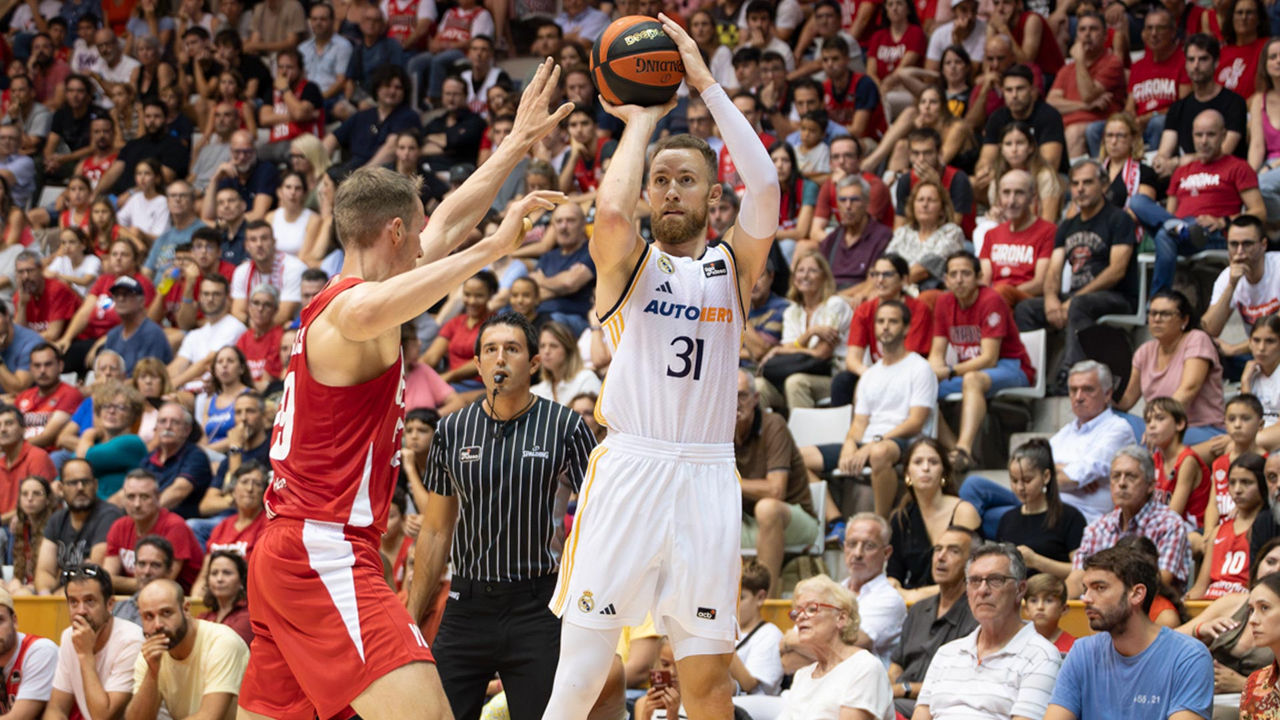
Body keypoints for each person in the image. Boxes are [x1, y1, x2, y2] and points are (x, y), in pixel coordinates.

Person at [238, 59, 570, 720]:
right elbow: (377, 303)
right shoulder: (348, 313)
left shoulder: (359, 296)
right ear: (394, 233)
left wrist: (514, 143)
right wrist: (491, 251)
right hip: (323, 551)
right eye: (414, 230)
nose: (428, 238)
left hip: (286, 550)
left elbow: (447, 222)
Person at [539, 14, 779, 718]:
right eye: (661, 182)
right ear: (649, 194)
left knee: (708, 683)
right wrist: (641, 119)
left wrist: (705, 84)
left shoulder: (730, 269)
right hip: (631, 471)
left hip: (707, 476)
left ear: (711, 198)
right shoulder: (631, 269)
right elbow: (609, 213)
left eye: (687, 180)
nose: (671, 189)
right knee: (582, 678)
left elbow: (764, 187)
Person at [408, 311, 595, 720]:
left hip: (536, 605)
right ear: (477, 364)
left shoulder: (565, 426)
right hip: (466, 602)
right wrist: (410, 618)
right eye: (490, 350)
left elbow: (599, 515)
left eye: (512, 349)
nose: (500, 359)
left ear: (532, 363)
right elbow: (437, 530)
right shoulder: (452, 431)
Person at [1045, 546, 1214, 720]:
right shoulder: (1082, 651)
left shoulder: (1188, 657)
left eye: (1100, 588)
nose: (1086, 598)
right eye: (1085, 588)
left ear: (1136, 594)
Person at [1013, 160, 1136, 394]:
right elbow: (1054, 269)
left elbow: (1117, 270)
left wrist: (1073, 299)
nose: (1080, 189)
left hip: (1117, 297)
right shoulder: (1067, 225)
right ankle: (1030, 375)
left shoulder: (1119, 219)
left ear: (1104, 185)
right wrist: (1051, 299)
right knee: (1026, 308)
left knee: (1079, 304)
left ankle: (1070, 373)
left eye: (1087, 182)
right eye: (1075, 184)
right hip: (1079, 298)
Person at [811, 300, 937, 518]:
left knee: (879, 453)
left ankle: (881, 523)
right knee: (799, 457)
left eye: (893, 321)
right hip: (869, 441)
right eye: (880, 321)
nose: (885, 326)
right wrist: (850, 443)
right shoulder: (869, 375)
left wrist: (874, 443)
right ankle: (835, 521)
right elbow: (860, 422)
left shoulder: (920, 368)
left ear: (906, 328)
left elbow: (916, 421)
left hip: (906, 440)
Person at [913, 542, 1062, 719]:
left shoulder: (1041, 655)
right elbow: (921, 714)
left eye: (995, 580)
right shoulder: (946, 653)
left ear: (1020, 589)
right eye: (975, 581)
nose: (982, 590)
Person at [1134, 109, 1266, 296]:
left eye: (1210, 134)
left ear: (1223, 135)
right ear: (1192, 136)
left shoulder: (1238, 167)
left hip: (1212, 233)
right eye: (1199, 135)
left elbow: (1259, 211)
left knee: (1165, 233)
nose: (1204, 141)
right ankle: (1181, 230)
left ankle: (1158, 298)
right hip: (1181, 233)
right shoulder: (1181, 171)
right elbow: (1169, 216)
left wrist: (1224, 221)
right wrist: (1176, 226)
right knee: (1137, 201)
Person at [929, 251, 1034, 471]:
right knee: (922, 389)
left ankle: (964, 448)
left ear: (978, 277)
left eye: (966, 273)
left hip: (1011, 366)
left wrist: (947, 372)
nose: (959, 279)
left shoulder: (991, 299)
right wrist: (930, 373)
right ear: (946, 279)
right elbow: (937, 352)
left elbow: (989, 358)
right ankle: (953, 452)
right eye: (954, 274)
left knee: (973, 379)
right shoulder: (943, 302)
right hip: (969, 370)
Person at [734, 369, 819, 597]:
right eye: (729, 396)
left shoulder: (773, 425)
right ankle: (706, 606)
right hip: (748, 523)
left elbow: (776, 490)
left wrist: (730, 484)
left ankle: (766, 601)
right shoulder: (719, 430)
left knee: (767, 508)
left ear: (755, 399)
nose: (735, 403)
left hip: (794, 520)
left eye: (741, 395)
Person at [1067, 447, 1195, 597]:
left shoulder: (1169, 524)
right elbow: (1077, 579)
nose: (1121, 483)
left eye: (1130, 476)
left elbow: (1160, 581)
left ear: (1150, 485)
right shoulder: (1096, 528)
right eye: (1116, 476)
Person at [774, 575, 894, 720]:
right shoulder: (802, 676)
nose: (800, 617)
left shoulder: (864, 667)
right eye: (797, 612)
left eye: (812, 609)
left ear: (841, 618)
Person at [126, 579, 248, 720]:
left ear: (185, 609)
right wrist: (152, 673)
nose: (158, 625)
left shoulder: (222, 642)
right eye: (149, 617)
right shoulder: (151, 654)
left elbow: (210, 717)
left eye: (166, 613)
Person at [887, 526, 977, 717]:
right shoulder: (918, 609)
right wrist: (883, 691)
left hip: (939, 705)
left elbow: (962, 683)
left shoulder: (976, 614)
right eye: (938, 549)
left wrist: (905, 688)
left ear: (971, 564)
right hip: (899, 701)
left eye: (953, 551)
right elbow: (897, 665)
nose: (941, 557)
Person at [1118, 290, 1226, 445]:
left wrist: (1160, 424)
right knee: (1109, 421)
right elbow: (1127, 401)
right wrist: (1104, 396)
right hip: (1157, 426)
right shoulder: (1145, 351)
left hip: (1200, 428)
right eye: (1152, 313)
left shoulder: (1196, 339)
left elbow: (1189, 388)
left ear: (1184, 320)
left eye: (1165, 314)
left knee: (1153, 446)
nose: (1156, 319)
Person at [43, 564, 143, 720]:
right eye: (73, 602)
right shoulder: (69, 636)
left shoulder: (131, 640)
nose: (80, 611)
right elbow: (56, 709)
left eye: (89, 601)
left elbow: (104, 716)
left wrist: (85, 654)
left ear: (110, 604)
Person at [756, 250, 851, 412]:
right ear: (794, 278)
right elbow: (788, 348)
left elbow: (822, 354)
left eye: (813, 270)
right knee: (757, 386)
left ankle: (804, 437)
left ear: (824, 277)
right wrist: (811, 333)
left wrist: (785, 350)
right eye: (800, 270)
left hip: (832, 378)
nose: (805, 276)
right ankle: (766, 436)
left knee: (795, 382)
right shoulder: (792, 311)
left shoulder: (835, 305)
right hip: (796, 373)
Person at [982, 439, 1087, 578]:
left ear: (1046, 476)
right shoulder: (1007, 519)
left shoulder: (1070, 517)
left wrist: (1037, 561)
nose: (1020, 487)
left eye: (1027, 480)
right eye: (1014, 480)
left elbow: (1080, 571)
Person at [887, 438, 980, 590]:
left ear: (944, 472)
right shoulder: (900, 518)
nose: (925, 468)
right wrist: (894, 585)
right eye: (918, 462)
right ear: (907, 474)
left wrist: (918, 595)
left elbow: (972, 574)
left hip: (958, 600)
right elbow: (894, 573)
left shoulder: (964, 512)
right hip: (913, 602)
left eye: (933, 462)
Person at [1153, 34, 1248, 177]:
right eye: (1191, 60)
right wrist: (1160, 162)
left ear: (1216, 62)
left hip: (1225, 177)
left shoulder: (1235, 103)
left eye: (1203, 59)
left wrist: (1178, 162)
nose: (1196, 65)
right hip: (1186, 179)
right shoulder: (1178, 108)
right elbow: (1163, 152)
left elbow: (1223, 152)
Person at [1190, 453, 1276, 599]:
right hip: (1208, 604)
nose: (1237, 490)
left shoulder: (1268, 528)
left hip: (1242, 604)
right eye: (1232, 482)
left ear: (1262, 484)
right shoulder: (1218, 531)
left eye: (1246, 482)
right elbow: (1200, 587)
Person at [103, 470, 204, 593]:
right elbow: (106, 581)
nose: (137, 504)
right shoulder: (119, 526)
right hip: (134, 601)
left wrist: (120, 583)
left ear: (158, 498)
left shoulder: (175, 526)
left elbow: (163, 583)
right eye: (131, 497)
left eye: (144, 497)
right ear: (123, 499)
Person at [33, 461, 122, 594]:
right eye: (72, 483)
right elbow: (44, 571)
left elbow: (94, 573)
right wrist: (45, 595)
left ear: (96, 485)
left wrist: (61, 595)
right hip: (61, 596)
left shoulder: (109, 515)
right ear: (61, 489)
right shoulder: (57, 519)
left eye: (85, 482)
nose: (80, 488)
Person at [1044, 11, 1124, 158]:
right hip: (1067, 128)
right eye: (1082, 29)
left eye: (1093, 29)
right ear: (1077, 36)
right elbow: (1051, 103)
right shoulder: (1066, 70)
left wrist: (1080, 60)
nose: (1087, 34)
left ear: (1105, 36)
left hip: (1101, 127)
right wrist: (1085, 106)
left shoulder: (1112, 63)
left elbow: (1088, 94)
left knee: (1075, 132)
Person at [978, 169, 1054, 309]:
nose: (1011, 201)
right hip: (995, 299)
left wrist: (999, 295)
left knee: (1001, 292)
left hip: (1027, 300)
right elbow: (985, 279)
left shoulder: (1048, 231)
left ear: (1033, 197)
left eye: (1019, 193)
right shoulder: (992, 234)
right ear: (999, 197)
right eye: (1006, 193)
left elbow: (1040, 283)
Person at [138, 403, 211, 520]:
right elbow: (132, 488)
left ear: (187, 430)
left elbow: (178, 492)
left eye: (175, 422)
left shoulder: (195, 456)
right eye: (162, 421)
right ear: (156, 428)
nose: (167, 427)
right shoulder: (148, 459)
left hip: (178, 523)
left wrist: (141, 513)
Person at [14, 345, 82, 450]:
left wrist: (11, 446)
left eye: (48, 364)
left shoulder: (70, 394)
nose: (42, 370)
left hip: (47, 456)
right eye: (37, 365)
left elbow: (47, 437)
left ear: (60, 366)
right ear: (30, 369)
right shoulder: (23, 396)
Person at [0, 405, 54, 523]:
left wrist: (2, 520)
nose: (2, 429)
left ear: (23, 429)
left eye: (9, 423)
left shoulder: (37, 457)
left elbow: (38, 504)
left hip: (29, 526)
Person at [111, 536, 180, 625]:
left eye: (155, 565)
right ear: (134, 568)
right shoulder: (118, 608)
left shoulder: (174, 613)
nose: (147, 571)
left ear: (169, 572)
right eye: (142, 564)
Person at [198, 550, 252, 646]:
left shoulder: (248, 616)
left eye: (227, 573)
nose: (219, 579)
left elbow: (226, 648)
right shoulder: (204, 617)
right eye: (214, 573)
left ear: (241, 580)